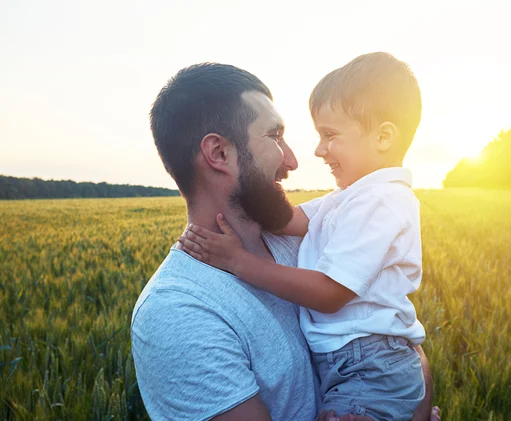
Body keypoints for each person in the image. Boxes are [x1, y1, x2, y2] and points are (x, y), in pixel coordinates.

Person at [131, 61, 439, 421]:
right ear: (218, 154)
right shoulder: (178, 312)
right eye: (274, 137)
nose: (295, 159)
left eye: (331, 136)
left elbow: (397, 342)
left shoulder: (309, 244)